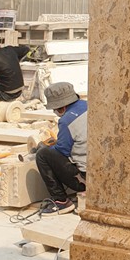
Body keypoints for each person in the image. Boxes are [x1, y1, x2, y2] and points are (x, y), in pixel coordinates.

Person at [36, 82, 87, 215]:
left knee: (43, 155)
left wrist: (50, 147)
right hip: (105, 174)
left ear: (62, 107)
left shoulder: (66, 121)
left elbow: (62, 152)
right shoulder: (88, 105)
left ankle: (61, 202)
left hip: (85, 179)